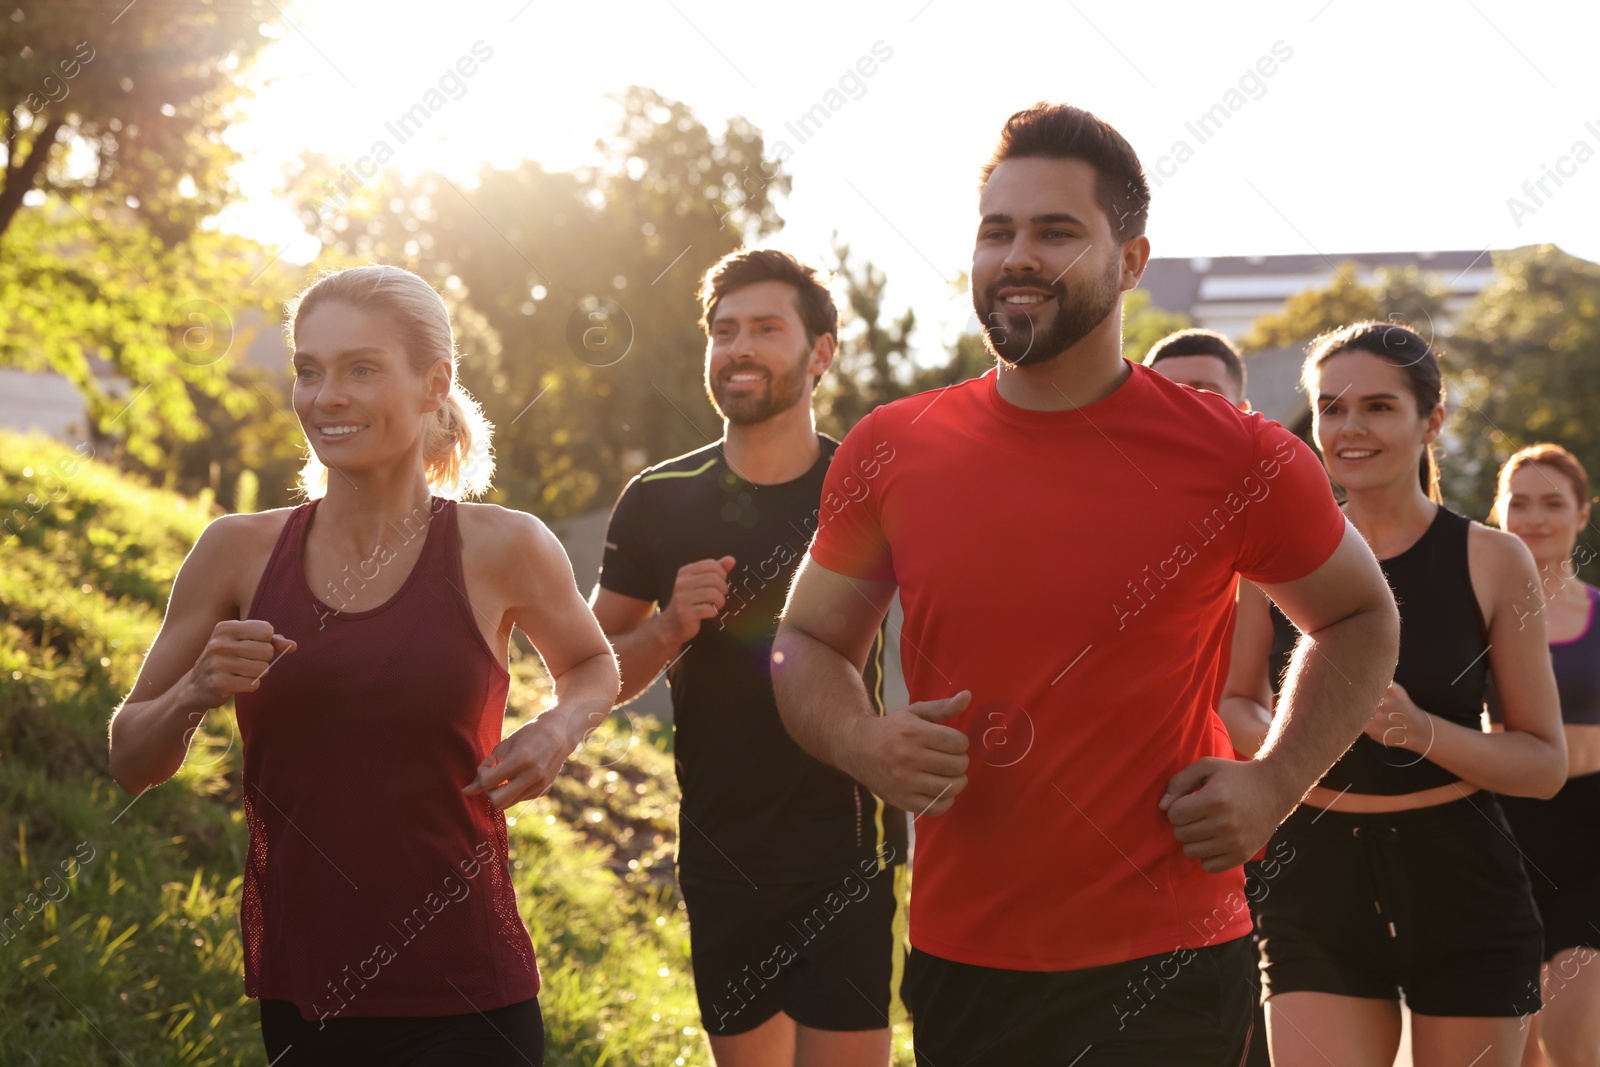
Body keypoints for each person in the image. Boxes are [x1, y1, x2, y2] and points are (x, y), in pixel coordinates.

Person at [771, 102, 1401, 1065]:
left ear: (1132, 259)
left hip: (1171, 963)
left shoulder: (1238, 456)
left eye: (1056, 231)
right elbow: (804, 641)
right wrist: (860, 737)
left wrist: (1273, 782)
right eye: (997, 231)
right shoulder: (890, 446)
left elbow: (1360, 616)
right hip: (963, 963)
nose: (1018, 255)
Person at [107, 265, 620, 1067]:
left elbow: (593, 663)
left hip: (471, 998)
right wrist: (194, 693)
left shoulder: (504, 546)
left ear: (434, 383)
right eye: (308, 371)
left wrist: (557, 728)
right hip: (304, 998)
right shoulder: (234, 553)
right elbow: (130, 758)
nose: (325, 395)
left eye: (361, 368)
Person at [589, 249, 906, 1067]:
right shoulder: (658, 499)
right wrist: (666, 630)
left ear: (822, 350)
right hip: (723, 855)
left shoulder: (866, 485)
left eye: (767, 328)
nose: (740, 347)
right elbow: (587, 675)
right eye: (724, 330)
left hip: (847, 853)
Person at [1232, 322, 1567, 1067]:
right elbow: (1236, 704)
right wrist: (1304, 734)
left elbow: (1544, 761)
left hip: (1465, 886)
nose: (1349, 428)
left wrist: (1423, 733)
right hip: (1312, 882)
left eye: (1378, 406)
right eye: (1332, 407)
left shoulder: (1494, 559)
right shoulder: (1273, 553)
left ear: (1432, 420)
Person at [1146, 327, 1273, 1067]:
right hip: (1139, 846)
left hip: (1269, 834)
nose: (1188, 411)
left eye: (1208, 395)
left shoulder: (1289, 533)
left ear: (1244, 409)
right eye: (1170, 394)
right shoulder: (1098, 532)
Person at [1488, 444, 1600, 1067]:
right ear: (1499, 514)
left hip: (1593, 833)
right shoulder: (1474, 620)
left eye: (1552, 503)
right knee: (1516, 1048)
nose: (1534, 517)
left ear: (1582, 515)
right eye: (1519, 503)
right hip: (1502, 832)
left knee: (1571, 1035)